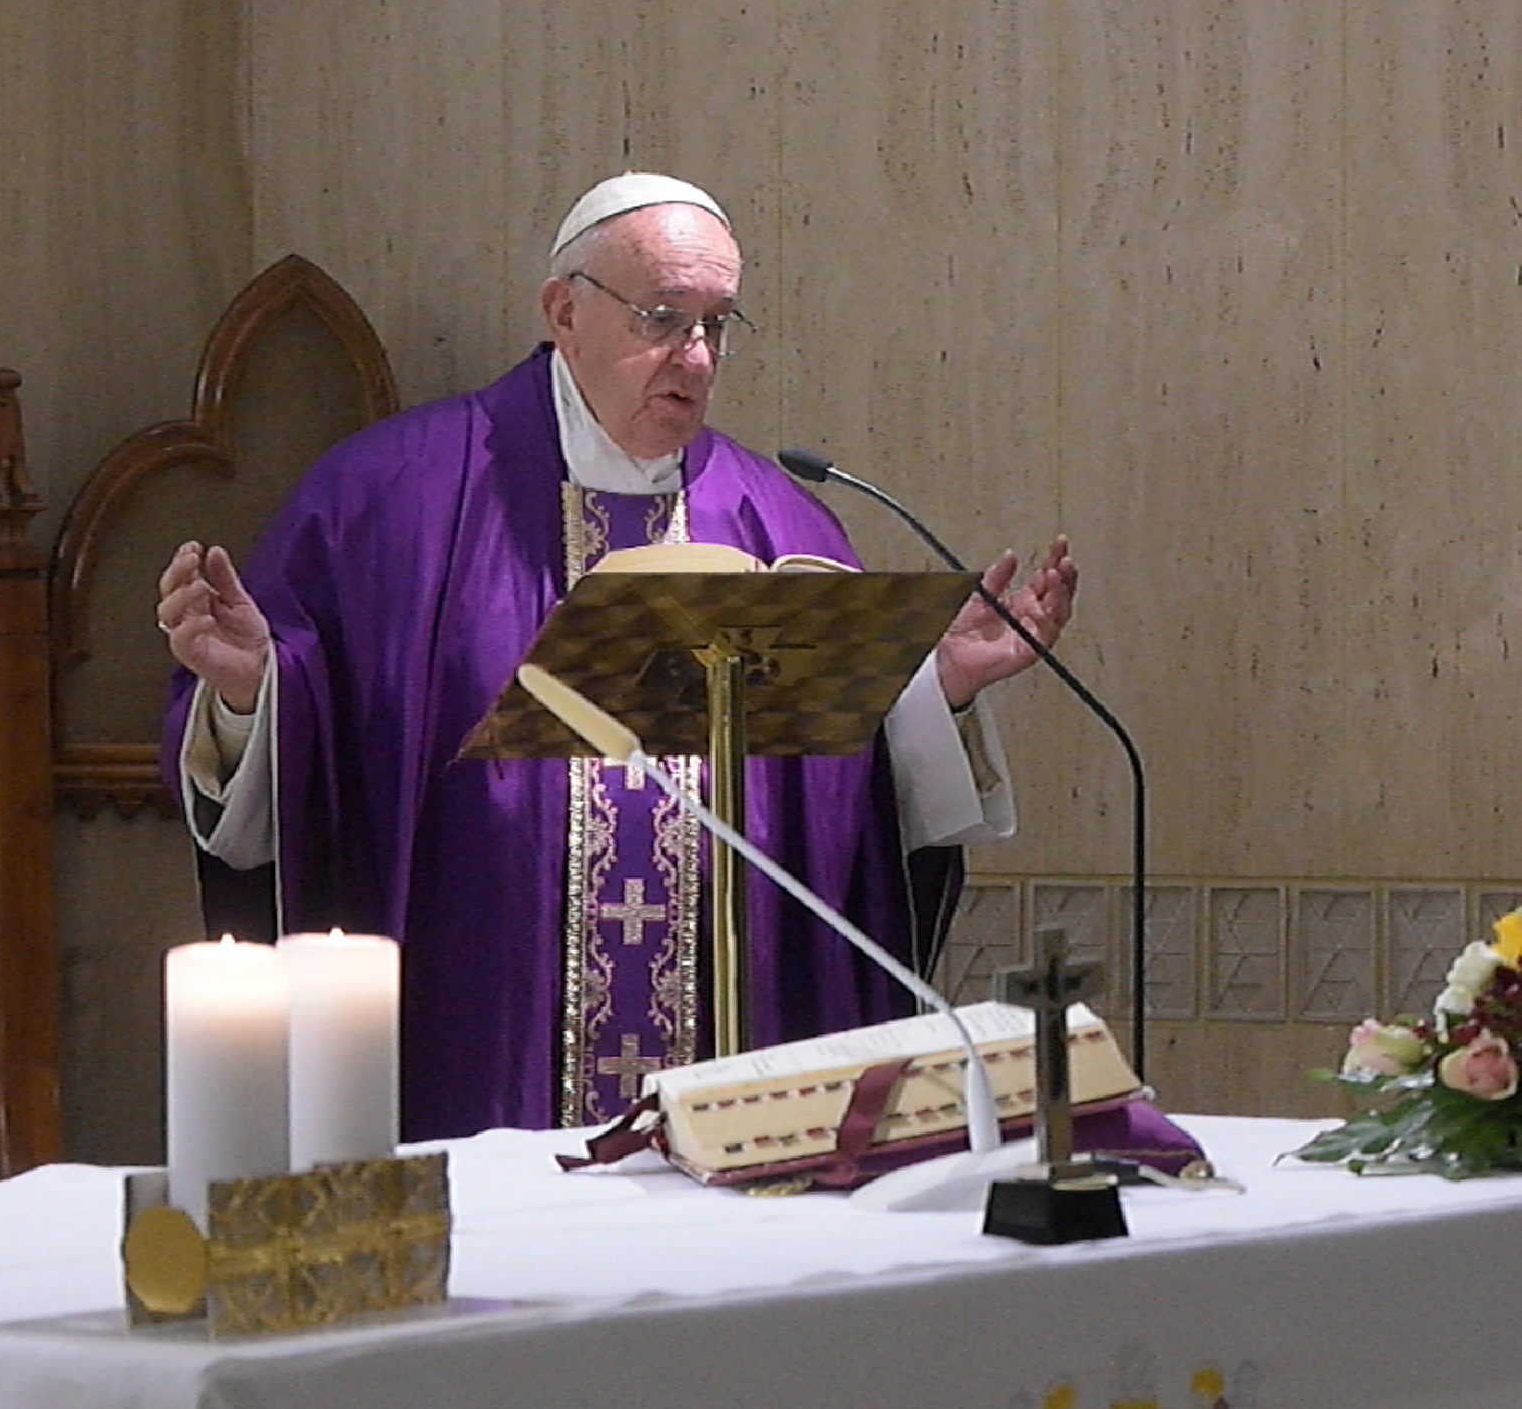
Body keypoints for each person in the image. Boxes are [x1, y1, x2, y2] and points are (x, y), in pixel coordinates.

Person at [156, 173, 1077, 1140]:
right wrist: (256, 694)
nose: (695, 357)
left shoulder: (781, 523)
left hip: (733, 1051)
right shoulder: (391, 497)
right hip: (475, 1034)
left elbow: (849, 821)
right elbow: (320, 766)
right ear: (564, 311)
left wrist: (935, 691)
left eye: (716, 325)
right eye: (663, 319)